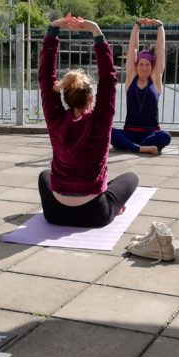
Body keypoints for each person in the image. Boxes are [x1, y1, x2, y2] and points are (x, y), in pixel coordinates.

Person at [38, 14, 139, 228]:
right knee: (131, 178)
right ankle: (114, 206)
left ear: (65, 97)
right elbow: (109, 78)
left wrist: (53, 30)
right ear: (92, 98)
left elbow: (46, 78)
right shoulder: (101, 120)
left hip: (55, 212)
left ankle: (108, 199)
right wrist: (96, 31)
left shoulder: (55, 119)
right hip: (95, 213)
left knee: (44, 175)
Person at [110, 18, 171, 155]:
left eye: (147, 64)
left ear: (152, 66)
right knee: (108, 131)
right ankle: (141, 148)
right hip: (129, 132)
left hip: (151, 133)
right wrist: (137, 25)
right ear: (136, 66)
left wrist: (159, 26)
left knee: (166, 136)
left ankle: (131, 146)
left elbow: (160, 49)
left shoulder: (155, 79)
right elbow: (133, 48)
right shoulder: (131, 77)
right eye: (141, 64)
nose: (144, 68)